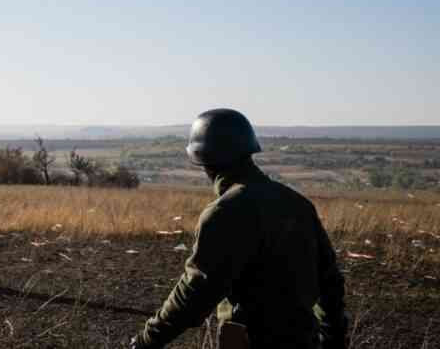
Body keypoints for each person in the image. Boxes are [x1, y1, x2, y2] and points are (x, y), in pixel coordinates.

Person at [130, 109, 348, 349]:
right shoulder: (297, 204)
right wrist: (334, 340)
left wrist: (145, 341)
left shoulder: (224, 213)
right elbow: (330, 283)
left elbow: (195, 294)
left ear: (203, 159)